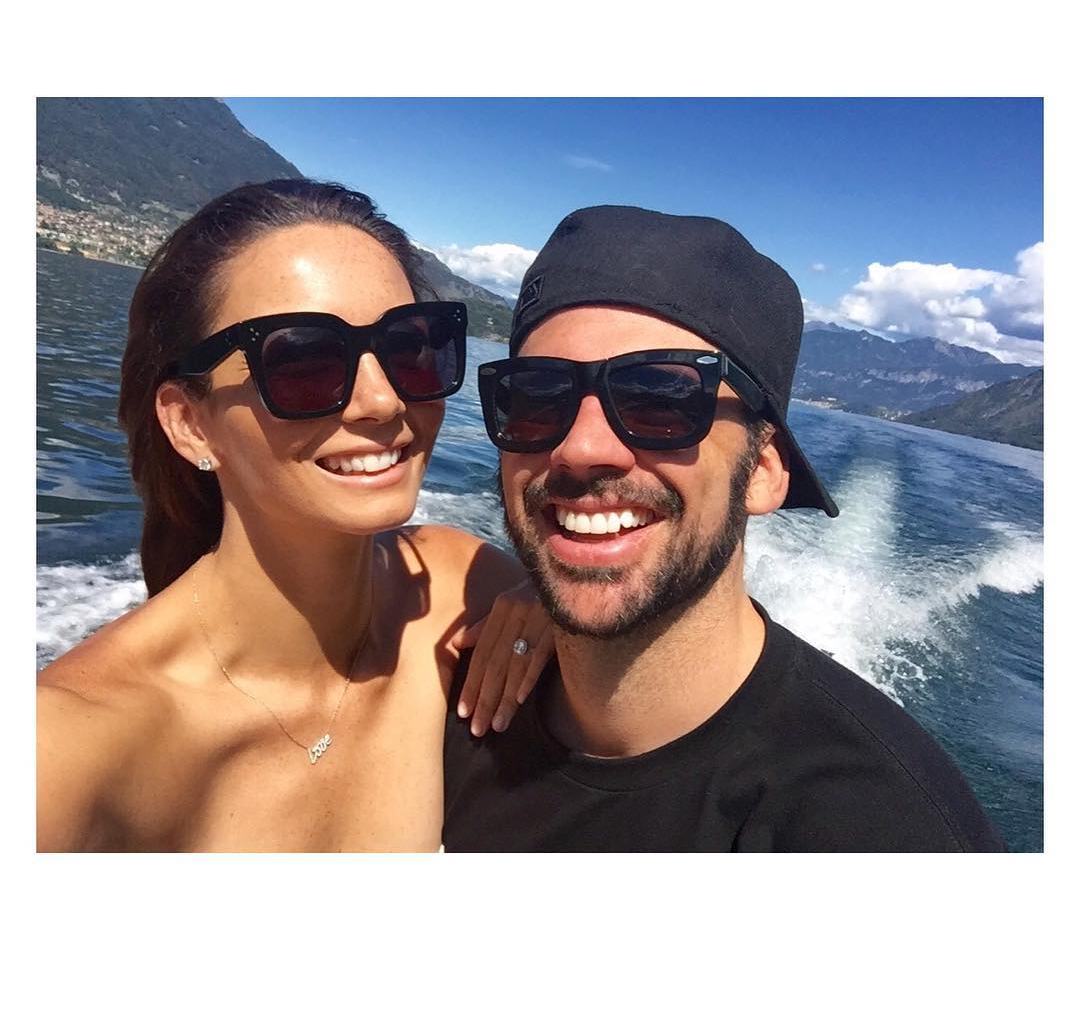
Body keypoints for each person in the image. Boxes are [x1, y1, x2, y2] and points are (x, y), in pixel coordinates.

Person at [443, 204, 1007, 852]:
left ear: (763, 471)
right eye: (537, 395)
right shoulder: (441, 686)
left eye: (660, 398)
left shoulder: (885, 831)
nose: (580, 448)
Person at [36, 179, 551, 852]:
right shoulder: (65, 754)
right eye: (303, 360)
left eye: (409, 347)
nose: (383, 401)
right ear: (190, 423)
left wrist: (561, 605)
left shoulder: (467, 591)